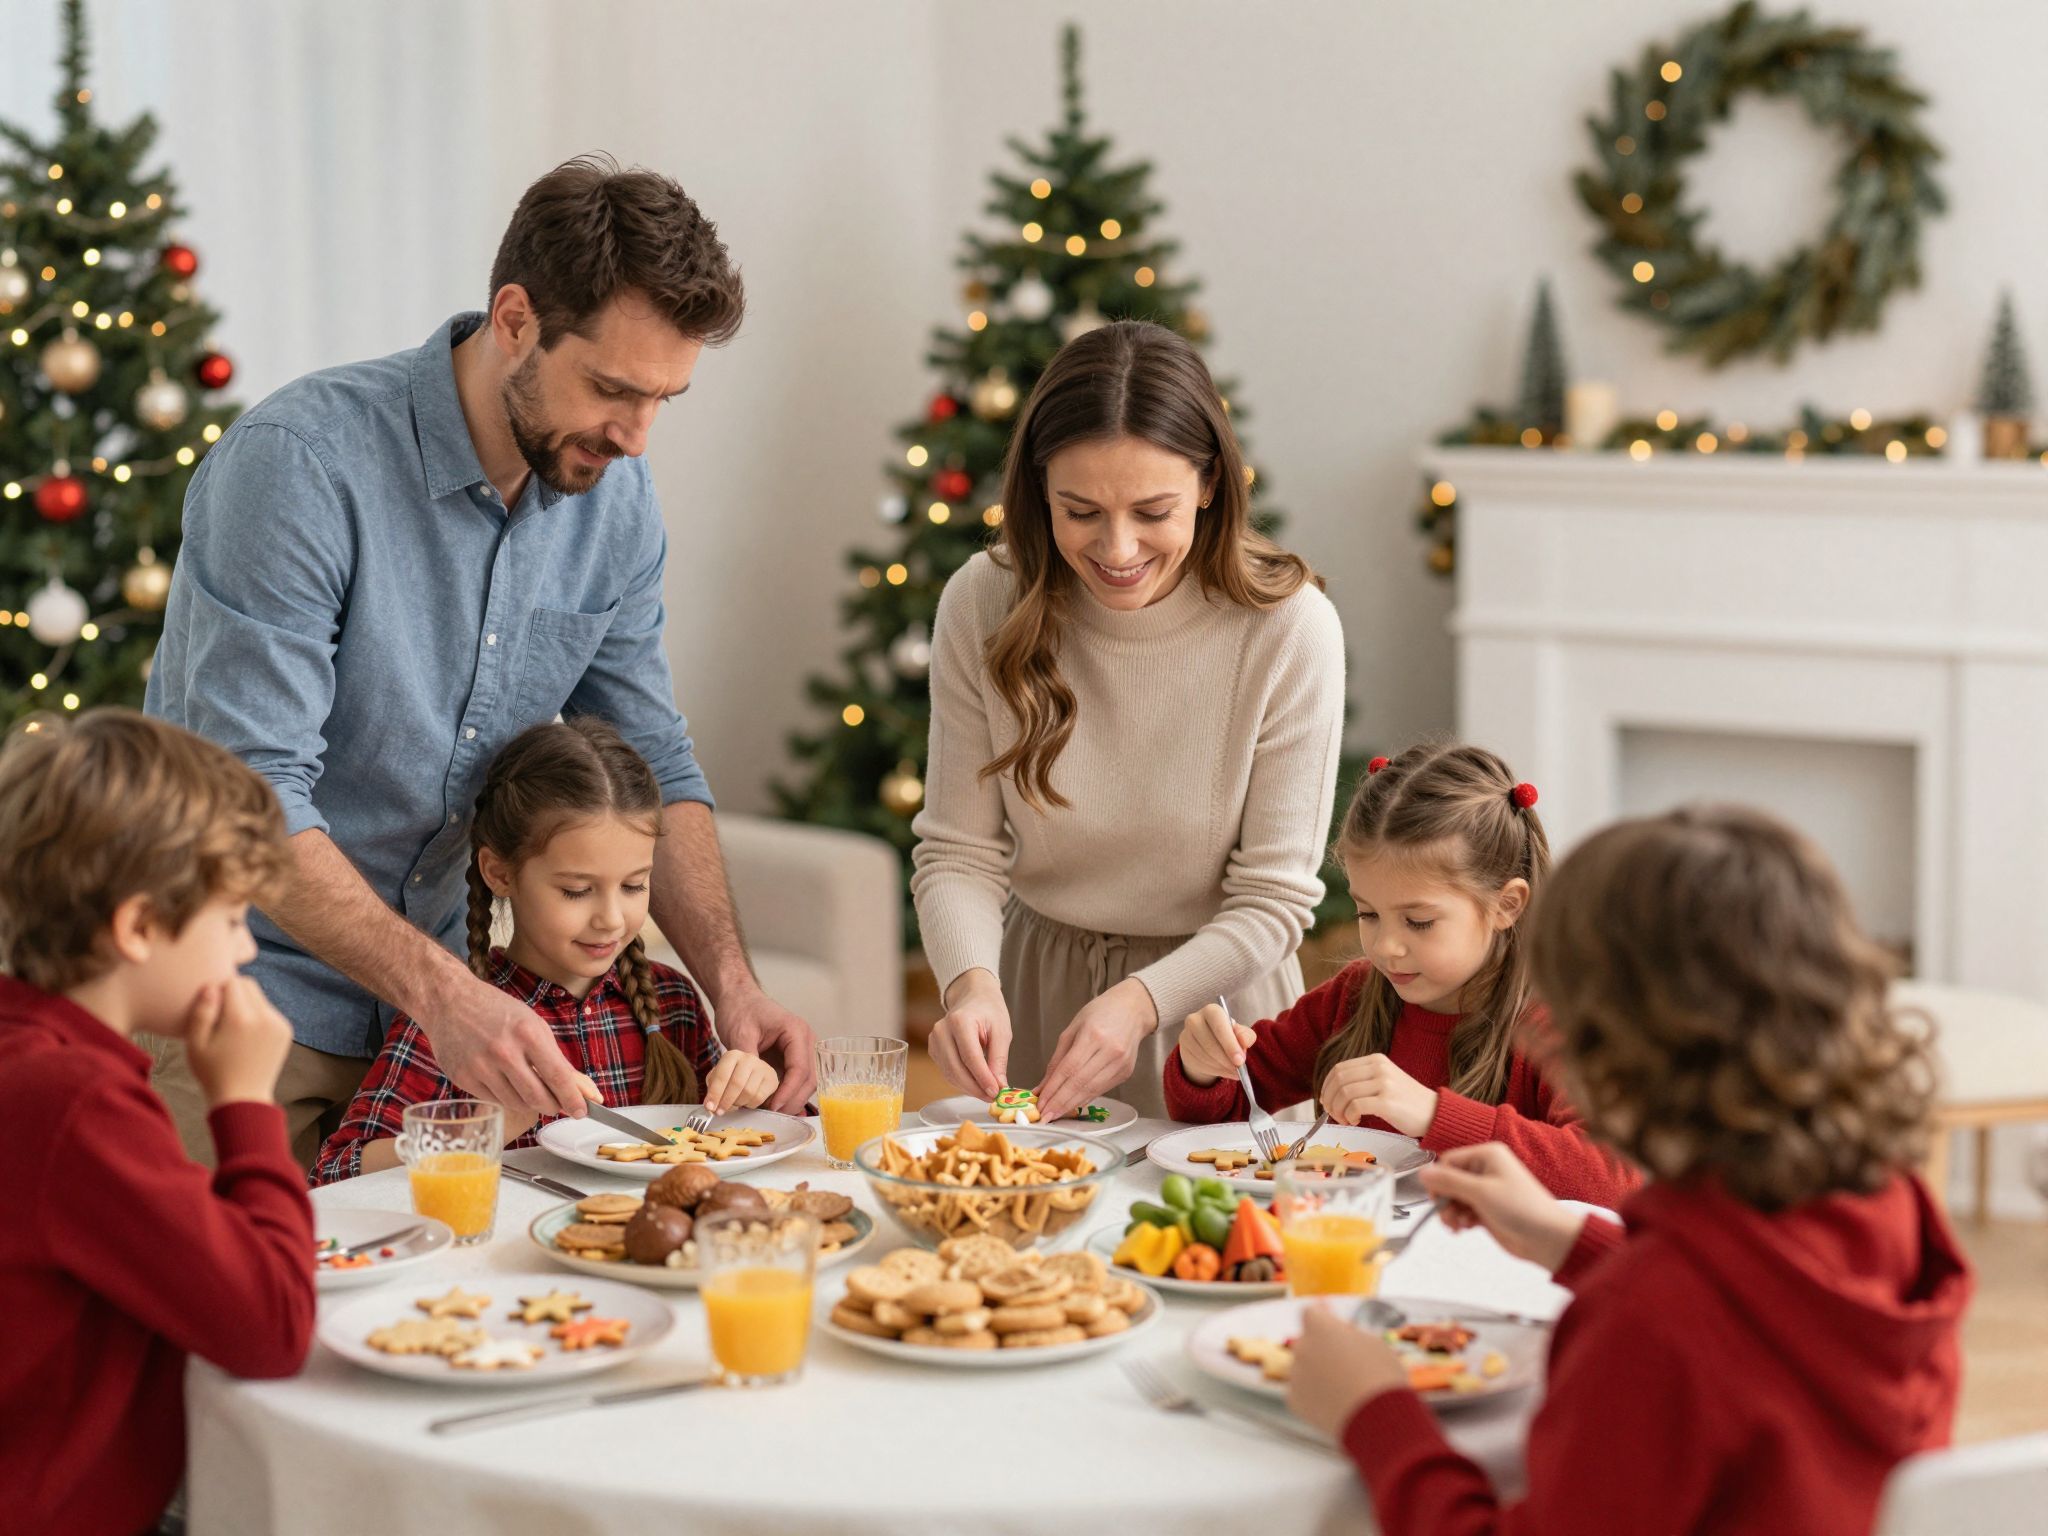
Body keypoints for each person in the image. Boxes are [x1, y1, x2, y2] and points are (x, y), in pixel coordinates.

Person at [145, 155, 813, 1167]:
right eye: (610, 389)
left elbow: (655, 760)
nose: (634, 436)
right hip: (242, 1005)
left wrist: (732, 985)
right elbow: (251, 795)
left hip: (439, 1033)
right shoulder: (298, 467)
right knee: (236, 1322)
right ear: (513, 320)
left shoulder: (613, 503)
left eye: (663, 400)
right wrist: (448, 995)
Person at [1287, 805, 1972, 1536]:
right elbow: (1751, 1300)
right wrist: (1568, 1240)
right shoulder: (1888, 1199)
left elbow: (1681, 1321)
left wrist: (1377, 1417)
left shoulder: (1649, 1325)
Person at [914, 319, 1345, 1120]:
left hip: (1218, 1018)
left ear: (1211, 483)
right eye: (1080, 511)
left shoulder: (1289, 628)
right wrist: (970, 982)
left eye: (1153, 511)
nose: (1117, 548)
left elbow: (1275, 900)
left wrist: (1142, 1003)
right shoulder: (982, 601)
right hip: (1037, 994)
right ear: (1039, 490)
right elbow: (957, 850)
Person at [0, 710, 316, 1536]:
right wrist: (245, 1100)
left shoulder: (34, 1059)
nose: (246, 952)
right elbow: (273, 1323)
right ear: (138, 927)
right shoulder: (74, 1103)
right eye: (231, 921)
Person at [1164, 744, 1632, 1205]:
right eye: (1368, 914)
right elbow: (1224, 1114)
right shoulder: (1354, 996)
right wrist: (1202, 1069)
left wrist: (1435, 1115)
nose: (1386, 947)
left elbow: (1616, 1178)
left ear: (1506, 905)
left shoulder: (1557, 1023)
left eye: (1419, 921)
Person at [313, 718, 776, 1183]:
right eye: (577, 890)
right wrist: (477, 1130)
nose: (612, 919)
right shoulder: (457, 1019)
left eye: (635, 885)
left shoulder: (673, 1003)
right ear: (500, 873)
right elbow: (335, 1174)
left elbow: (733, 1142)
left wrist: (755, 1090)